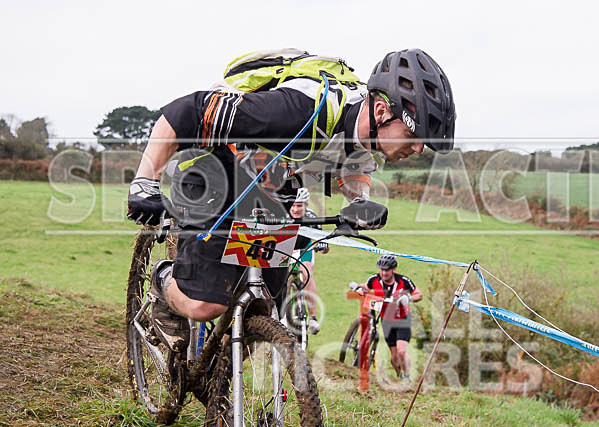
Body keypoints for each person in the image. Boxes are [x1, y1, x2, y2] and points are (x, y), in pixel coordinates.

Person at [126, 48, 455, 349]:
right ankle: (163, 283)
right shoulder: (294, 111)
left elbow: (355, 165)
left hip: (272, 181)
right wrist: (145, 181)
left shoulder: (368, 130)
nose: (417, 150)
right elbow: (186, 111)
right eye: (414, 136)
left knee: (263, 301)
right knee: (206, 305)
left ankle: (221, 388)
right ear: (381, 111)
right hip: (212, 168)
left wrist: (359, 201)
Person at [356, 255, 422, 379]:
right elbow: (365, 287)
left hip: (402, 320)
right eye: (382, 270)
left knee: (402, 351)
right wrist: (359, 288)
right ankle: (399, 376)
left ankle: (407, 377)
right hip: (386, 320)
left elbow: (419, 294)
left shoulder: (404, 281)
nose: (384, 273)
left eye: (387, 270)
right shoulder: (374, 279)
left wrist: (409, 298)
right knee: (394, 356)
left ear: (394, 269)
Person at [284, 187, 327, 334]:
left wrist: (323, 245)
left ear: (306, 206)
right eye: (293, 205)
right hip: (285, 247)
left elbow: (322, 239)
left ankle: (313, 317)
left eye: (300, 205)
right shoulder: (282, 215)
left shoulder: (311, 217)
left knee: (307, 273)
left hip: (304, 248)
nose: (296, 209)